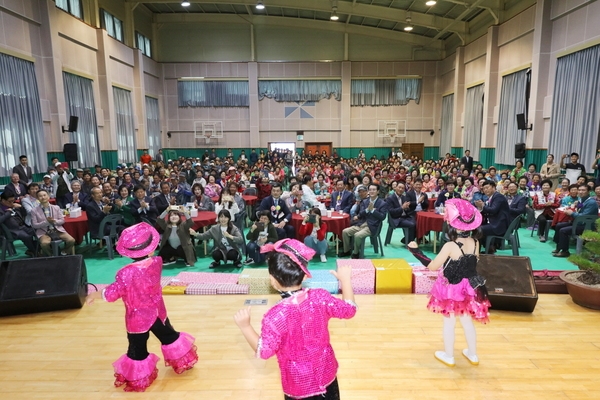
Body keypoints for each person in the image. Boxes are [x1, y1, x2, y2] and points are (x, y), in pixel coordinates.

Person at [234, 239, 357, 400]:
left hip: (298, 385)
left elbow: (263, 351)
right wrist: (346, 280)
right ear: (305, 274)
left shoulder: (275, 316)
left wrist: (245, 327)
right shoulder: (320, 297)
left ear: (272, 280)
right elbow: (349, 310)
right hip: (326, 375)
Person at [85, 223, 198, 392]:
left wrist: (93, 295)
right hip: (158, 311)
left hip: (137, 318)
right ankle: (182, 360)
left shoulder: (125, 273)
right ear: (150, 249)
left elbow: (112, 293)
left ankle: (139, 379)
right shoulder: (157, 262)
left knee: (137, 348)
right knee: (168, 335)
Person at [407, 199, 490, 367]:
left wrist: (416, 251)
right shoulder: (476, 243)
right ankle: (473, 354)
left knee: (449, 321)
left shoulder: (450, 246)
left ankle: (449, 355)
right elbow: (474, 262)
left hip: (452, 289)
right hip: (470, 287)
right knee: (467, 321)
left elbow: (433, 266)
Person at [340, 183, 388, 259]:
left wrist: (372, 211)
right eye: (370, 190)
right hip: (361, 224)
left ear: (378, 191)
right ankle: (346, 251)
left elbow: (383, 217)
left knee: (357, 235)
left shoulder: (382, 203)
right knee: (345, 231)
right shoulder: (365, 201)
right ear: (368, 191)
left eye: (374, 190)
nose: (372, 191)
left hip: (372, 226)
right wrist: (367, 210)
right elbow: (360, 213)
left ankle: (356, 253)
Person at [552, 184, 599, 258]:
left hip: (586, 226)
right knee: (559, 225)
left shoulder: (591, 203)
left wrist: (572, 213)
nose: (580, 192)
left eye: (583, 190)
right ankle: (559, 247)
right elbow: (579, 211)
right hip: (579, 223)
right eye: (579, 190)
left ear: (589, 191)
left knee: (563, 230)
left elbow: (583, 216)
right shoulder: (581, 200)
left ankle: (565, 251)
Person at [30, 189, 76, 256]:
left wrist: (54, 221)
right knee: (44, 244)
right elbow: (34, 225)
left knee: (71, 240)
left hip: (57, 230)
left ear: (48, 196)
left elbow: (62, 220)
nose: (43, 197)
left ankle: (65, 252)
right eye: (40, 196)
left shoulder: (56, 207)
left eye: (44, 195)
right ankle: (51, 255)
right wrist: (46, 222)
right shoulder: (34, 210)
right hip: (43, 232)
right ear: (37, 199)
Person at [474, 180, 510, 254]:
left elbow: (493, 210)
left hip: (499, 225)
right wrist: (481, 207)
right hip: (494, 223)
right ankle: (489, 248)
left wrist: (482, 206)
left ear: (494, 187)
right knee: (477, 227)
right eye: (484, 188)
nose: (485, 190)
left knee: (479, 229)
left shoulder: (498, 197)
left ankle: (476, 251)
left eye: (487, 187)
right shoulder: (492, 197)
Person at [0, 192, 38, 256]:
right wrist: (8, 213)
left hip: (22, 226)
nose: (12, 203)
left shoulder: (14, 205)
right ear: (3, 200)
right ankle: (35, 252)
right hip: (11, 230)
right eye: (10, 201)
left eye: (13, 200)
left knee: (37, 232)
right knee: (26, 237)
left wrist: (21, 207)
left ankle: (35, 250)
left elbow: (24, 214)